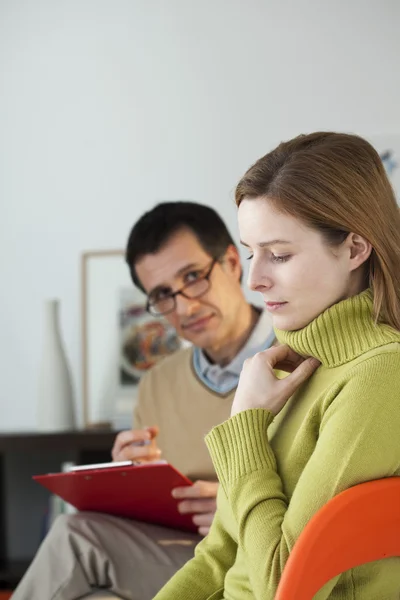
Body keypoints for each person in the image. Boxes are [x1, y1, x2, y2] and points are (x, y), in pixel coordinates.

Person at [154, 133, 400, 600]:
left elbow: (282, 585)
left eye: (279, 255)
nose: (253, 279)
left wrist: (246, 425)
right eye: (250, 252)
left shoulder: (381, 376)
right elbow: (218, 556)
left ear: (354, 249)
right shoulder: (286, 368)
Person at [12, 202, 274, 600]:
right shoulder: (157, 384)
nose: (184, 307)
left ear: (233, 263)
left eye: (193, 277)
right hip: (186, 554)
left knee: (73, 535)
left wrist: (234, 505)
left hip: (263, 555)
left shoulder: (298, 355)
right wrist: (129, 478)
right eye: (163, 295)